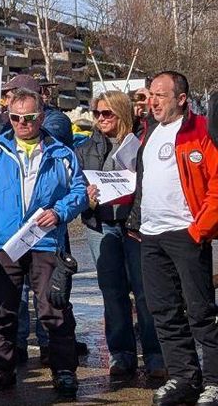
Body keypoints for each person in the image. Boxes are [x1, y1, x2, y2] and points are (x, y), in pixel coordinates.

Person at [0, 87, 88, 397]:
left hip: (46, 242)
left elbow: (79, 192)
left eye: (29, 117)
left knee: (54, 309)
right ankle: (0, 368)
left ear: (41, 117)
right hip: (5, 244)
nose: (22, 123)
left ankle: (63, 370)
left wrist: (60, 212)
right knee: (1, 308)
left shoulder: (62, 153)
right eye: (16, 117)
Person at [126, 71, 218, 406]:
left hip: (187, 234)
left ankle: (214, 381)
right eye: (150, 94)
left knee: (201, 312)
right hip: (151, 236)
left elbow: (216, 184)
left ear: (181, 98)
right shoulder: (149, 132)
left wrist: (200, 229)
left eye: (160, 95)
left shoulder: (202, 130)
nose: (152, 101)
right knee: (164, 311)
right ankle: (183, 377)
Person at [77, 90, 163, 378]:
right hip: (100, 224)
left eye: (107, 113)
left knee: (145, 291)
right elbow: (77, 185)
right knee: (112, 292)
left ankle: (154, 354)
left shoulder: (143, 142)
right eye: (97, 113)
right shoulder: (86, 148)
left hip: (135, 224)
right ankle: (121, 353)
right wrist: (84, 198)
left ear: (122, 113)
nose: (101, 119)